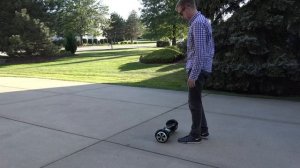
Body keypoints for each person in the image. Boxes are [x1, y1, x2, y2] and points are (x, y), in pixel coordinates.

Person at [175, 0, 215, 143]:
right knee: (197, 102)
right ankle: (203, 130)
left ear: (187, 7)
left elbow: (200, 53)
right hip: (202, 68)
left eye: (181, 12)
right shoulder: (202, 20)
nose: (182, 16)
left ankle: (195, 135)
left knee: (193, 103)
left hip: (198, 69)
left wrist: (193, 75)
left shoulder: (197, 23)